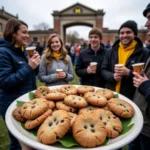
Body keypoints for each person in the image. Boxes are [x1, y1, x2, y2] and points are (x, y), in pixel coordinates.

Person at [0, 18, 40, 150]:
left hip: (26, 101)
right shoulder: (3, 53)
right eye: (24, 32)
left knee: (29, 140)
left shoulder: (22, 51)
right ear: (13, 33)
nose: (28, 36)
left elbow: (31, 75)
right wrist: (29, 67)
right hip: (12, 104)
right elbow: (5, 82)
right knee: (18, 142)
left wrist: (35, 65)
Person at [101, 20, 149, 100]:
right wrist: (112, 76)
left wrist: (128, 72)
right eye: (122, 33)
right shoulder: (111, 51)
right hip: (111, 93)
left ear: (135, 34)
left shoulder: (144, 53)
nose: (124, 35)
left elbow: (144, 76)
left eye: (128, 32)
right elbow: (103, 70)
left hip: (130, 96)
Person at [131, 3, 150, 150]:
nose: (146, 24)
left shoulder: (143, 51)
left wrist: (146, 86)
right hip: (139, 118)